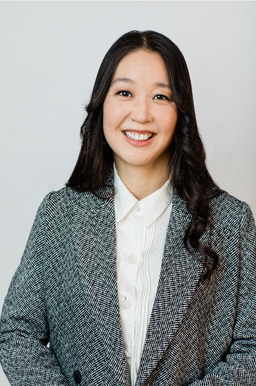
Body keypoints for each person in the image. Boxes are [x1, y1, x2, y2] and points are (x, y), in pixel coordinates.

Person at [0, 30, 256, 386]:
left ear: (180, 111)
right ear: (102, 103)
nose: (141, 113)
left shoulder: (229, 222)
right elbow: (16, 333)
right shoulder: (61, 214)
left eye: (160, 96)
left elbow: (251, 347)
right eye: (124, 92)